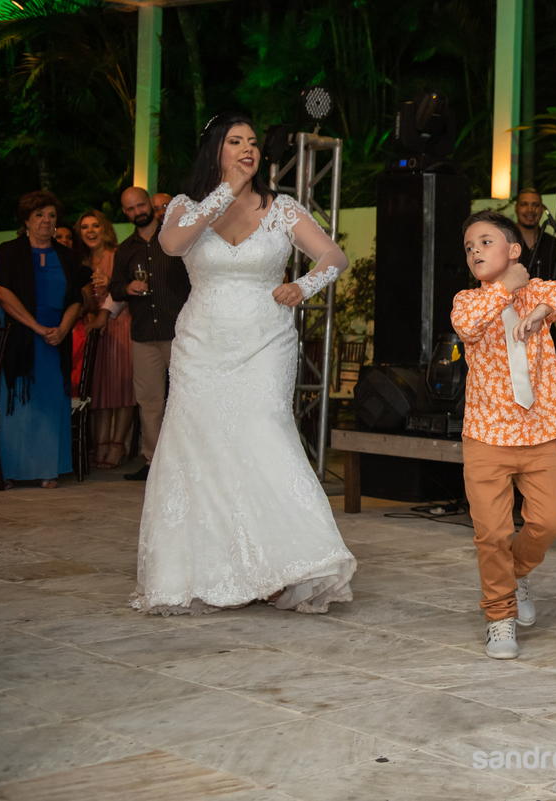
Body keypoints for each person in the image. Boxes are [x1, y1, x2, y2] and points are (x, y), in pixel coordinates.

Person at [131, 111, 355, 615]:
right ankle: (217, 567)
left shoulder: (282, 207)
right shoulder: (185, 207)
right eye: (236, 142)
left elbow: (334, 257)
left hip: (265, 342)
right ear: (216, 150)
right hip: (201, 346)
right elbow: (174, 245)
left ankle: (280, 565)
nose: (248, 149)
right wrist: (224, 193)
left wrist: (305, 284)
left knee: (264, 436)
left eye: (253, 142)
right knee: (204, 450)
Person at [451, 210, 556, 659]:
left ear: (514, 251)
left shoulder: (537, 293)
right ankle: (499, 616)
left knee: (550, 521)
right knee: (490, 533)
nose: (475, 250)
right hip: (487, 436)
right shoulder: (468, 301)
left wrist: (544, 307)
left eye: (486, 242)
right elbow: (467, 326)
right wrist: (505, 287)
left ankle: (516, 572)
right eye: (470, 246)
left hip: (540, 431)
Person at [0, 191, 92, 488]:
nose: (46, 221)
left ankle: (48, 469)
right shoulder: (9, 250)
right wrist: (36, 327)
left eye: (51, 216)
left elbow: (77, 298)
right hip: (20, 333)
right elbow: (3, 294)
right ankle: (8, 471)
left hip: (55, 335)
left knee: (50, 403)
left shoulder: (66, 255)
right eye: (39, 215)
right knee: (17, 402)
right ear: (26, 220)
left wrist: (63, 328)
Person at [108, 186, 191, 481]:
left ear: (151, 204)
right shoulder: (125, 248)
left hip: (179, 332)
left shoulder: (175, 239)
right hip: (143, 334)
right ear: (125, 212)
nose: (137, 212)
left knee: (188, 398)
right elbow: (114, 287)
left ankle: (190, 461)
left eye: (140, 205)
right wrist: (126, 288)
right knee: (150, 402)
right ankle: (153, 462)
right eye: (130, 209)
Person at [76, 210, 134, 469]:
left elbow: (125, 288)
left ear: (105, 229)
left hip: (119, 323)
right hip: (93, 328)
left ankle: (117, 445)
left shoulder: (116, 255)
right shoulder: (82, 261)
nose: (90, 231)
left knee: (121, 388)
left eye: (95, 226)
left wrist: (110, 282)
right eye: (84, 227)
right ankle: (100, 443)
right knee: (99, 388)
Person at [514, 188, 556, 356]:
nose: (530, 210)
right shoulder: (505, 242)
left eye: (535, 205)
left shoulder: (552, 243)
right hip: (510, 325)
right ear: (516, 208)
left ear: (542, 209)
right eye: (524, 204)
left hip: (545, 327)